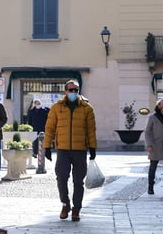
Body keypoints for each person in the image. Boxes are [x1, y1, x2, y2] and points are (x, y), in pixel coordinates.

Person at [43, 79, 97, 222]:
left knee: (78, 181)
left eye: (76, 90)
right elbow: (49, 128)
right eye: (70, 90)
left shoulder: (87, 108)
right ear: (65, 91)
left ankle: (76, 209)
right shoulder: (57, 107)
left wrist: (92, 148)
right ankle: (65, 204)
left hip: (80, 150)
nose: (73, 92)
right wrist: (47, 146)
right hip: (63, 150)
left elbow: (91, 130)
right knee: (61, 178)